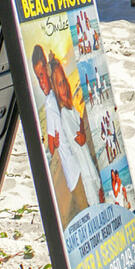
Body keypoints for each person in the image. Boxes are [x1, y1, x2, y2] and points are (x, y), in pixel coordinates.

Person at [31, 46, 101, 214]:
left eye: (42, 76)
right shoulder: (54, 103)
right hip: (75, 172)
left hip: (75, 173)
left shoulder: (54, 104)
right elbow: (56, 143)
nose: (41, 83)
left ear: (48, 73)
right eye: (38, 77)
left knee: (88, 209)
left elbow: (56, 146)